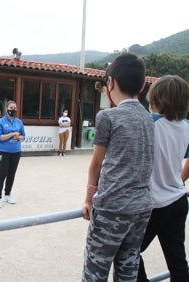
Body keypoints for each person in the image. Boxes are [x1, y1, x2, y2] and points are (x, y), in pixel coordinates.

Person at [82, 52, 154, 281]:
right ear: (142, 85)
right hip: (141, 208)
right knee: (128, 267)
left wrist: (88, 199)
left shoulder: (108, 117)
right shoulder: (149, 119)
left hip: (112, 207)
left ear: (110, 82)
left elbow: (96, 165)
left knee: (96, 270)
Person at [137, 75, 189, 282]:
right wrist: (180, 179)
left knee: (128, 252)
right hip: (178, 199)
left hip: (154, 204)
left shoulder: (149, 124)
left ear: (155, 98)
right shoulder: (186, 126)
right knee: (177, 260)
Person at [0, 100, 25, 209]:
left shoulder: (19, 122)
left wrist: (18, 137)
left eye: (15, 108)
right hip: (3, 152)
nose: (13, 110)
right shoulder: (1, 122)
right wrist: (12, 134)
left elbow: (23, 137)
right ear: (7, 108)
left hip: (16, 152)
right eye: (11, 108)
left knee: (11, 174)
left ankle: (7, 195)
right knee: (2, 174)